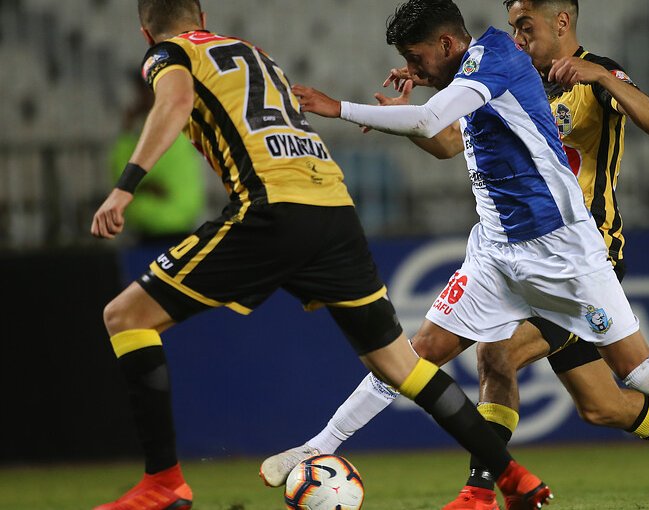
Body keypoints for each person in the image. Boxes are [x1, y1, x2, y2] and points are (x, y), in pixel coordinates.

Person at [263, 0, 649, 507]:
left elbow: (431, 118)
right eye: (514, 25)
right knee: (421, 355)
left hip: (565, 252)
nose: (518, 35)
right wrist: (405, 111)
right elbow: (439, 137)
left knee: (637, 376)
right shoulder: (479, 75)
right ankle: (317, 449)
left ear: (445, 45)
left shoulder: (502, 58)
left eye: (417, 59)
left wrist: (338, 107)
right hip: (496, 253)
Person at [89, 1, 551, 509]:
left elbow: (174, 105)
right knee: (402, 364)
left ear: (145, 32)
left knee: (125, 316)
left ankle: (163, 482)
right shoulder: (253, 53)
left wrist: (125, 188)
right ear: (200, 19)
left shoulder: (169, 55)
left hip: (271, 209)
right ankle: (512, 476)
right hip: (333, 207)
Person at [108, 72, 205, 245]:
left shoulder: (175, 129)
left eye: (145, 91)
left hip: (169, 227)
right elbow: (122, 177)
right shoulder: (147, 133)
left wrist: (140, 186)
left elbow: (126, 177)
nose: (140, 98)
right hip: (152, 229)